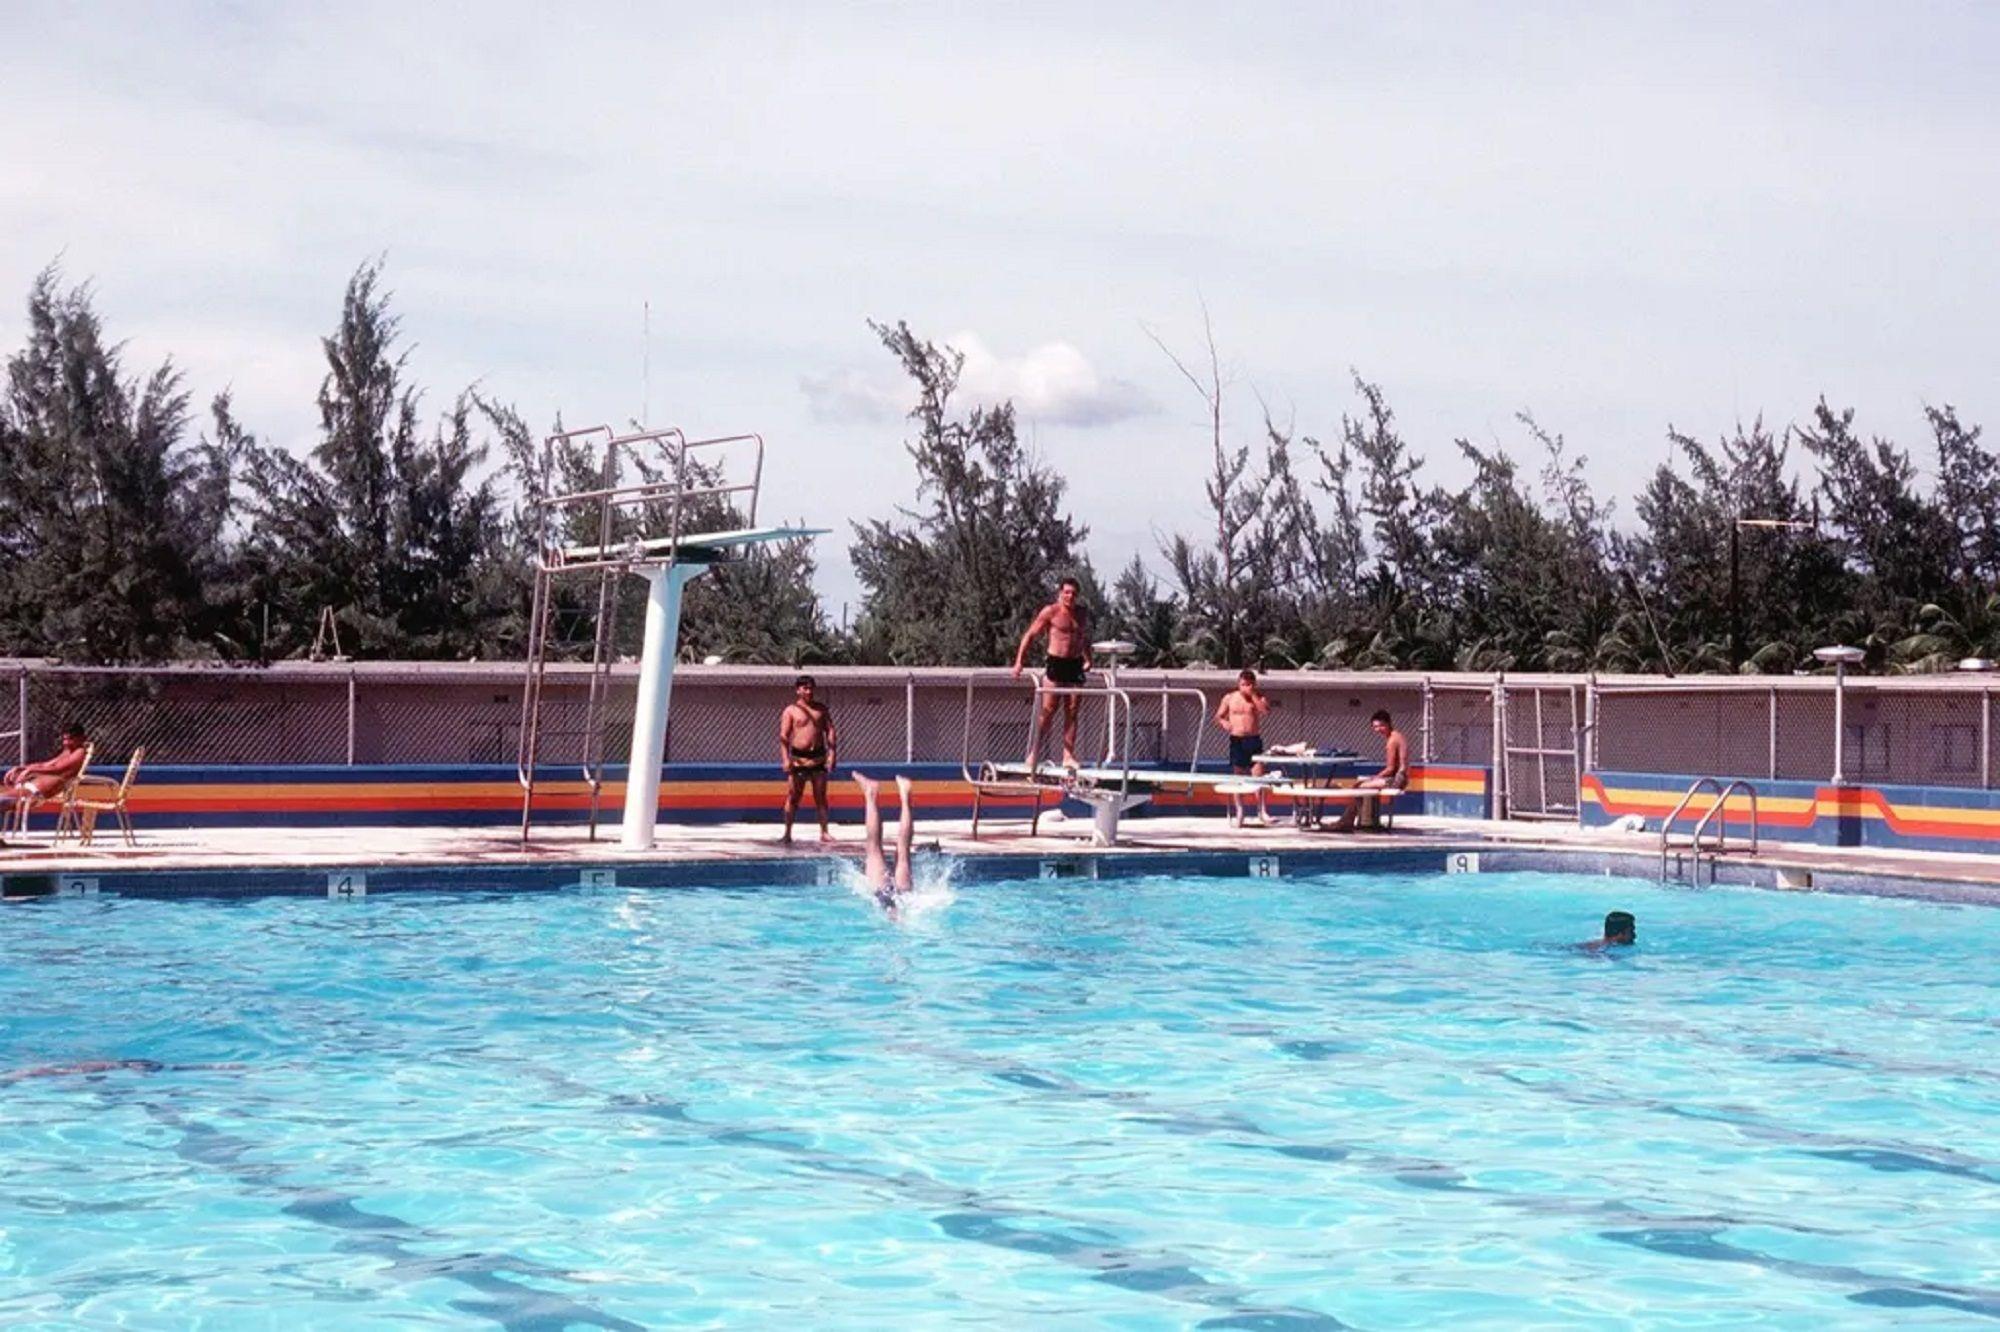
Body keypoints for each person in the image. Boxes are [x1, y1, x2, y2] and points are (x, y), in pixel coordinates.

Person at [1011, 577, 1092, 769]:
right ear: (1060, 593)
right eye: (1066, 592)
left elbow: (1083, 638)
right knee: (1048, 710)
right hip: (1056, 663)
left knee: (1072, 711)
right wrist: (1019, 662)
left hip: (1075, 664)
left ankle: (1068, 756)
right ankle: (1034, 753)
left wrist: (1088, 658)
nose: (1069, 596)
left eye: (1073, 593)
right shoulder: (1051, 612)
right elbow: (1030, 635)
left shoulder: (1082, 614)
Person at [2, 723, 89, 844]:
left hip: (36, 793)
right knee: (3, 801)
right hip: (30, 788)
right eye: (64, 739)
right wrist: (21, 768)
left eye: (70, 739)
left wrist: (31, 770)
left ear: (82, 738)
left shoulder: (79, 753)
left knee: (2, 801)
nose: (66, 743)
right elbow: (45, 765)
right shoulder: (67, 752)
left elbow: (58, 768)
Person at [778, 676, 837, 845]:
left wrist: (833, 754)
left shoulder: (821, 709)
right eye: (805, 688)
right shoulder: (791, 710)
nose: (808, 691)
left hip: (818, 758)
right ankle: (787, 832)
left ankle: (824, 832)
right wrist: (785, 759)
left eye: (811, 688)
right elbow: (783, 736)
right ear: (798, 690)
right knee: (793, 797)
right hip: (798, 760)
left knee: (821, 797)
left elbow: (830, 731)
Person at [1214, 669, 1273, 826]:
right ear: (1238, 684)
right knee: (1238, 777)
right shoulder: (1230, 698)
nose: (1246, 687)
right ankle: (1240, 811)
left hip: (1253, 740)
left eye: (1249, 684)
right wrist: (1224, 723)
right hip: (1237, 741)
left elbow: (1265, 711)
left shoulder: (1259, 697)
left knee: (1258, 776)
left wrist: (1253, 695)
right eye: (1243, 684)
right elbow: (1218, 716)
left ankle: (1262, 811)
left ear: (1254, 684)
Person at [1333, 709, 1407, 832]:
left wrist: (1374, 778)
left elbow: (1390, 768)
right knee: (1361, 784)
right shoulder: (1398, 736)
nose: (1378, 729)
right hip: (1400, 777)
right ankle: (1352, 820)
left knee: (1359, 786)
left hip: (1397, 779)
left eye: (1381, 726)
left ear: (1388, 723)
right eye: (1375, 727)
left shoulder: (1392, 741)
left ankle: (1349, 821)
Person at [851, 772, 915, 910]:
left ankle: (903, 798)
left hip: (900, 896)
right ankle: (872, 795)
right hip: (887, 899)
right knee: (875, 848)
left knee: (902, 850)